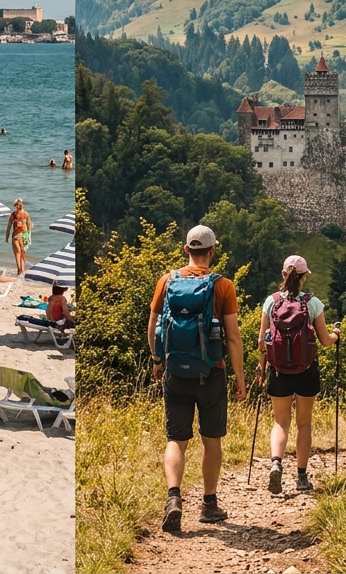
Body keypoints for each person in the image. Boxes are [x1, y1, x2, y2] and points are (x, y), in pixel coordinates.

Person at [148, 225, 246, 532]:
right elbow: (232, 337)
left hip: (175, 371)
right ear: (212, 251)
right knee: (210, 438)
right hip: (211, 372)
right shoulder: (223, 286)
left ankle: (173, 498)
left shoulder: (167, 281)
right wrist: (239, 377)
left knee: (176, 439)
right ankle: (208, 504)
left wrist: (157, 359)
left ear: (186, 250)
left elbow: (153, 325)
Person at [255, 255, 339, 495]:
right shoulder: (313, 304)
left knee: (280, 422)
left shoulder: (271, 303)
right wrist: (336, 335)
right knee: (304, 423)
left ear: (284, 274)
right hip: (306, 371)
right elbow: (324, 341)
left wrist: (263, 364)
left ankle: (276, 463)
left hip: (278, 371)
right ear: (303, 277)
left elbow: (263, 340)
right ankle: (301, 477)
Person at [4, 198, 32, 274]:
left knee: (17, 254)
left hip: (16, 237)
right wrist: (29, 236)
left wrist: (6, 237)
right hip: (24, 237)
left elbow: (9, 226)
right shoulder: (26, 214)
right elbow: (30, 226)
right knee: (22, 254)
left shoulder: (13, 214)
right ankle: (22, 270)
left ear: (16, 206)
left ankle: (19, 270)